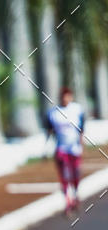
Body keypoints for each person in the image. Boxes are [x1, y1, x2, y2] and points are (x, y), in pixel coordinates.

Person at [45, 86, 85, 215]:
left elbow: (82, 129)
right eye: (63, 96)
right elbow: (49, 131)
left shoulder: (77, 110)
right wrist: (46, 148)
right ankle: (68, 202)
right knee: (64, 176)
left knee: (75, 175)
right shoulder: (53, 113)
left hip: (74, 148)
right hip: (61, 149)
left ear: (71, 97)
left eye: (67, 96)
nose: (65, 99)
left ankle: (76, 194)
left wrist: (81, 144)